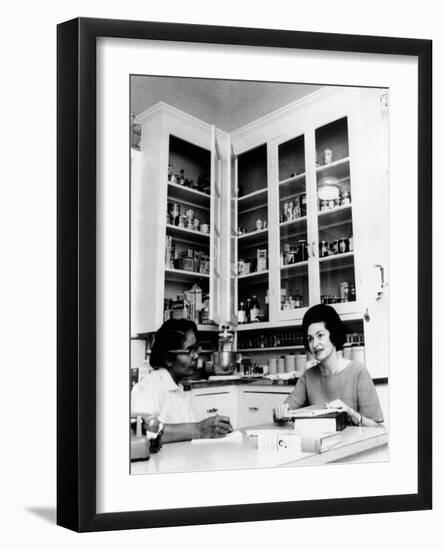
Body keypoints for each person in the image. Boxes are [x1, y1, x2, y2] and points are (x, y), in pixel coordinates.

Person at [276, 304, 384, 427]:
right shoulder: (308, 377)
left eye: (320, 335)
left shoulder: (358, 372)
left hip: (352, 444)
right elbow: (284, 411)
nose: (315, 344)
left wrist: (351, 413)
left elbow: (378, 428)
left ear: (333, 334)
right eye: (310, 339)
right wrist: (280, 414)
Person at [131, 319, 233, 442]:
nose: (196, 356)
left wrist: (215, 429)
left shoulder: (176, 387)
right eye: (189, 351)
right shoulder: (151, 385)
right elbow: (140, 430)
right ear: (169, 358)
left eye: (196, 349)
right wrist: (198, 429)